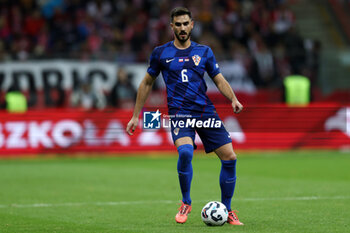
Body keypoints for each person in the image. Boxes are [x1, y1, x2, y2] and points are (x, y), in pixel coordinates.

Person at [126, 7, 244, 225]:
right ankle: (186, 202)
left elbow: (218, 79)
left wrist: (233, 99)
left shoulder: (205, 52)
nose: (182, 28)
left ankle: (227, 211)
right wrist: (135, 116)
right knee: (186, 153)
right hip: (180, 114)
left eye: (185, 23)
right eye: (177, 24)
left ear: (192, 25)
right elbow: (146, 82)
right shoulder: (161, 53)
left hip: (204, 111)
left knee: (230, 157)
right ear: (172, 27)